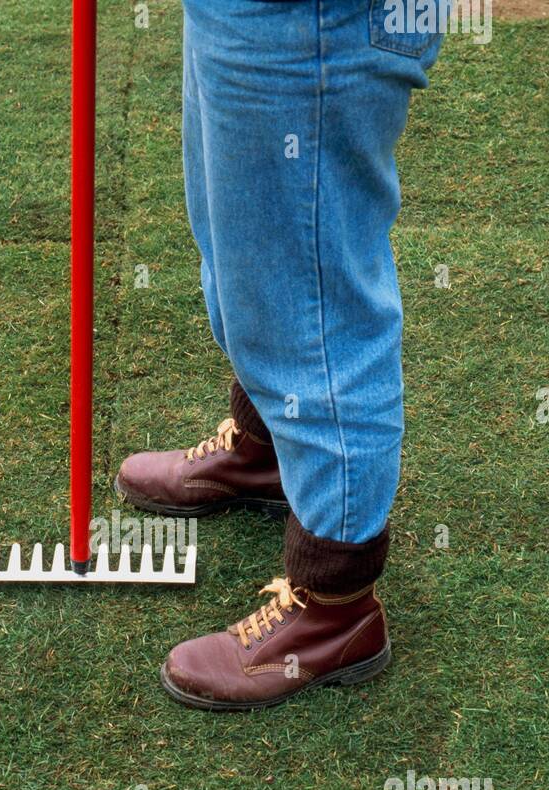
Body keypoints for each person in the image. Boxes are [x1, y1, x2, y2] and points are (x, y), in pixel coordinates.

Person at [116, 0, 444, 710]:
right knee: (245, 244)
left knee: (310, 289)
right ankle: (268, 450)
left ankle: (335, 601)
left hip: (312, 17)